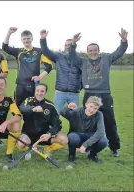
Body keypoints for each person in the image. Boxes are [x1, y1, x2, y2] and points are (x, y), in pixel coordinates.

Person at [68, 28, 128, 157]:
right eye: (90, 50)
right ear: (87, 52)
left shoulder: (106, 59)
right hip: (89, 94)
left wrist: (123, 41)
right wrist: (73, 43)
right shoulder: (83, 62)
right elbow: (72, 55)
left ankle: (114, 148)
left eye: (95, 50)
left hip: (104, 94)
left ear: (98, 51)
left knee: (110, 121)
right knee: (87, 122)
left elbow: (119, 52)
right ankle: (86, 146)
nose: (93, 52)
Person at [2, 27, 53, 107]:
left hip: (34, 86)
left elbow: (49, 66)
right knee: (18, 109)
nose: (26, 40)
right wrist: (9, 33)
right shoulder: (18, 51)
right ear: (21, 40)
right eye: (24, 39)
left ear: (32, 38)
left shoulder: (39, 51)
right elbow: (5, 47)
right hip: (20, 86)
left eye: (28, 38)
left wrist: (39, 77)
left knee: (33, 109)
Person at [18, 84, 68, 159]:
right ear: (35, 91)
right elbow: (22, 108)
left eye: (42, 91)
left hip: (44, 136)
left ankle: (46, 149)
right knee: (20, 144)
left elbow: (57, 124)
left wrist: (49, 134)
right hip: (29, 134)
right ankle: (30, 149)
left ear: (45, 93)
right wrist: (33, 109)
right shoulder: (28, 101)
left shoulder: (50, 106)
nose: (39, 93)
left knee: (64, 140)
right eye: (37, 91)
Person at [39, 29, 82, 111]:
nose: (67, 47)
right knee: (55, 114)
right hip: (60, 92)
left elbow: (84, 76)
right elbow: (45, 51)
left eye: (69, 45)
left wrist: (79, 87)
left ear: (74, 45)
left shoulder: (79, 60)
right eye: (66, 45)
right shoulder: (58, 57)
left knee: (75, 116)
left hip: (74, 93)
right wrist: (43, 39)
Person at [60, 97, 108, 164]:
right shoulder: (77, 111)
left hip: (90, 137)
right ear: (86, 104)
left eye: (95, 108)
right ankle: (71, 155)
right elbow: (62, 112)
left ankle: (92, 155)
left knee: (104, 141)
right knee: (72, 137)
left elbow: (101, 132)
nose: (92, 110)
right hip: (76, 135)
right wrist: (68, 107)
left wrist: (85, 145)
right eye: (91, 106)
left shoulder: (99, 114)